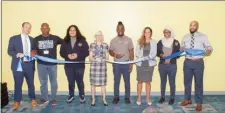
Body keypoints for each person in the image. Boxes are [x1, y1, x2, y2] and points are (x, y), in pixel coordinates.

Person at [180, 21, 213, 111]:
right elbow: (181, 48)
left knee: (198, 83)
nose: (192, 27)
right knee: (187, 82)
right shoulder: (185, 37)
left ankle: (199, 103)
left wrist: (208, 51)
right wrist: (181, 49)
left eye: (194, 25)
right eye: (191, 25)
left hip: (198, 63)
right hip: (187, 62)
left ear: (197, 27)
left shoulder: (203, 36)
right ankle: (187, 99)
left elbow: (209, 47)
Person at [8, 22, 37, 110]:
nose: (27, 29)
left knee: (31, 84)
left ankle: (33, 99)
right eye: (26, 27)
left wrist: (34, 52)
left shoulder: (32, 39)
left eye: (29, 28)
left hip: (30, 65)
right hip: (18, 66)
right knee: (18, 84)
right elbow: (9, 51)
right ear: (22, 27)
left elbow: (35, 50)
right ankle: (17, 101)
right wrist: (17, 54)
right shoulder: (14, 38)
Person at [32, 23, 63, 106]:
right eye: (43, 28)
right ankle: (44, 98)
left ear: (49, 29)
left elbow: (65, 43)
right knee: (43, 82)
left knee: (53, 82)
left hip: (52, 64)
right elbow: (33, 49)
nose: (44, 29)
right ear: (40, 29)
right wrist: (33, 52)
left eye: (46, 28)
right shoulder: (36, 39)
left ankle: (53, 99)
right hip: (41, 64)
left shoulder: (55, 38)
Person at [60, 25, 89, 104]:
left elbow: (87, 52)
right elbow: (61, 52)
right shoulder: (65, 41)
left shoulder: (82, 40)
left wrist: (77, 55)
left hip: (79, 65)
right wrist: (67, 55)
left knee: (80, 81)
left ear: (77, 31)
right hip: (68, 66)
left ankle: (82, 95)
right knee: (70, 81)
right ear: (68, 31)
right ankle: (71, 95)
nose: (72, 32)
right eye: (70, 30)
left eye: (74, 30)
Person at [109, 21, 134, 104]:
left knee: (127, 81)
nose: (120, 30)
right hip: (116, 65)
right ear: (116, 29)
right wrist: (115, 55)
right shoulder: (113, 40)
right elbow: (110, 51)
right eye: (118, 28)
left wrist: (131, 64)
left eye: (122, 28)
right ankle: (116, 97)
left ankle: (127, 97)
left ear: (124, 29)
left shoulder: (128, 39)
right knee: (116, 81)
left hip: (126, 64)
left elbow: (131, 52)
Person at [157, 27, 180, 105]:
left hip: (172, 66)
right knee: (163, 82)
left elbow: (178, 55)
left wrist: (175, 55)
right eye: (165, 32)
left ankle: (172, 98)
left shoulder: (175, 42)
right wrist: (160, 54)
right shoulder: (160, 42)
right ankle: (162, 97)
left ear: (171, 33)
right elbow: (157, 52)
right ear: (163, 33)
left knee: (172, 82)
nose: (167, 33)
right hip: (162, 66)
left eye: (168, 32)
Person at [135, 27, 157, 105]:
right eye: (146, 32)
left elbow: (154, 53)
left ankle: (148, 98)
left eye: (149, 32)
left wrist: (148, 57)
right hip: (140, 64)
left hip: (149, 64)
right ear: (144, 33)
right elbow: (137, 52)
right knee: (139, 81)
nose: (147, 34)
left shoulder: (154, 42)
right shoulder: (139, 41)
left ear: (151, 33)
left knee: (148, 82)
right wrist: (142, 57)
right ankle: (139, 98)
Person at [89, 31, 109, 106]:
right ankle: (93, 100)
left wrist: (103, 58)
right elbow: (90, 57)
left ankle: (104, 100)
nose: (99, 37)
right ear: (95, 37)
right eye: (98, 35)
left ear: (102, 36)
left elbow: (107, 57)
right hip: (94, 68)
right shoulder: (92, 45)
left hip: (102, 68)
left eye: (101, 35)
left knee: (103, 85)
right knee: (92, 85)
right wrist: (95, 59)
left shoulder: (105, 45)